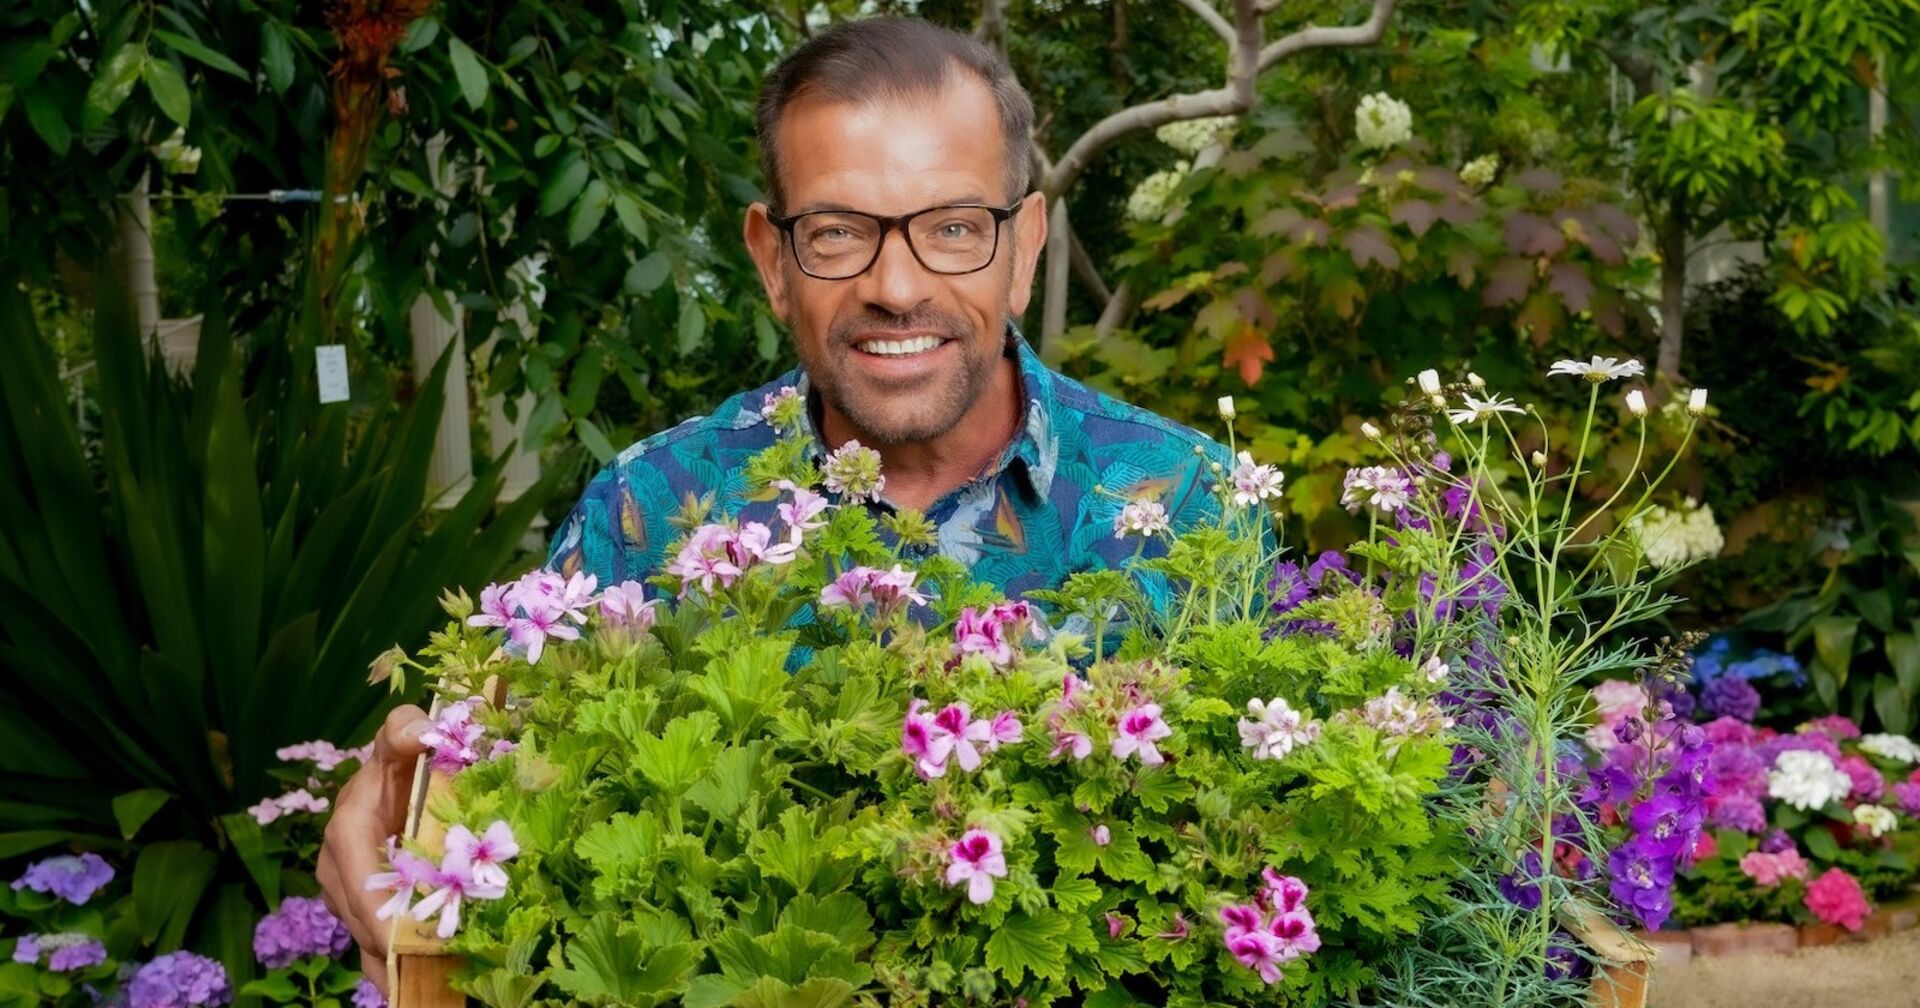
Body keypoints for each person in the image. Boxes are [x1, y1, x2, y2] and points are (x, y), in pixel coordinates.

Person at [318, 16, 1230, 990]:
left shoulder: (1191, 504)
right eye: (837, 233)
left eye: (954, 229)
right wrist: (412, 813)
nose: (896, 285)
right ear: (772, 260)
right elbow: (518, 814)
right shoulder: (651, 511)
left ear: (1026, 246)